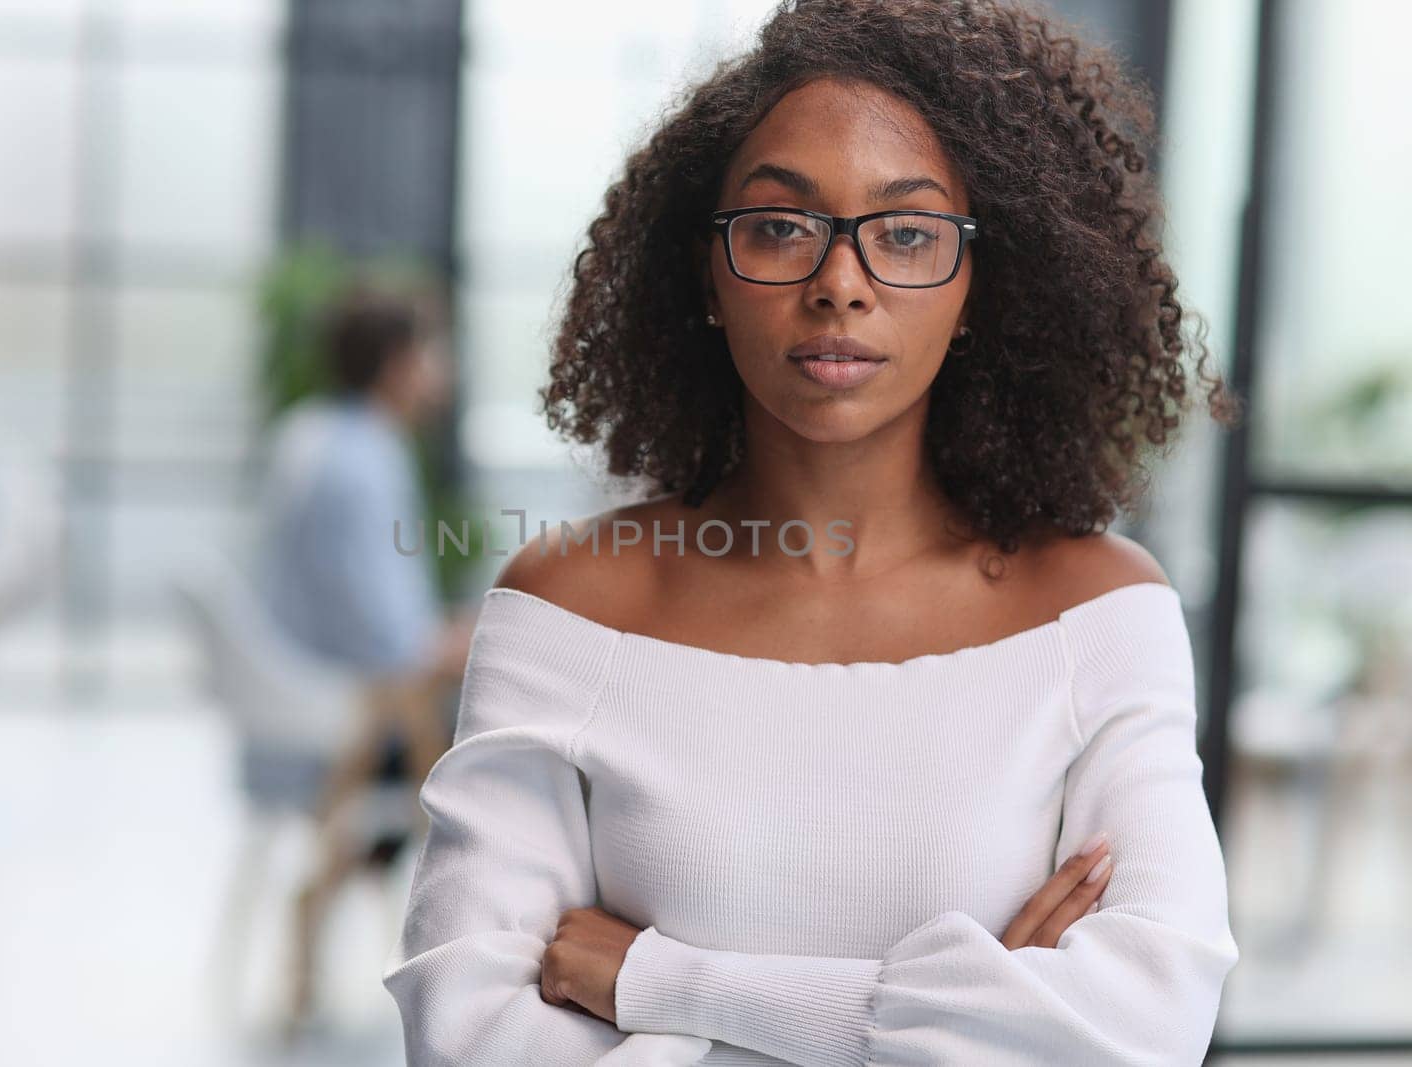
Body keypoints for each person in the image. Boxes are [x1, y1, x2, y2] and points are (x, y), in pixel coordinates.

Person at [383, 0, 1246, 1063]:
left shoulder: (1096, 610)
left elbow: (1144, 1023)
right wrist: (974, 1016)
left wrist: (662, 982)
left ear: (980, 283)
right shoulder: (569, 608)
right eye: (782, 226)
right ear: (707, 271)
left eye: (908, 233)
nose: (841, 284)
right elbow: (469, 1037)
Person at [253, 287, 478, 1027]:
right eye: (431, 351)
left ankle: (341, 898)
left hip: (299, 690)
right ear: (397, 364)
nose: (441, 369)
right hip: (352, 711)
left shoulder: (310, 432)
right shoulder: (368, 458)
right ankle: (475, 954)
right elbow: (393, 637)